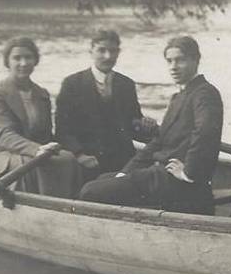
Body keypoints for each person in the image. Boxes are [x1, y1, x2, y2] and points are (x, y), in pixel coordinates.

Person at [78, 35, 223, 215]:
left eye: (180, 60)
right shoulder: (179, 96)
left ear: (196, 60)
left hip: (175, 180)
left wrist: (188, 173)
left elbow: (205, 133)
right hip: (160, 173)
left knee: (90, 192)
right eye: (169, 61)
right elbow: (158, 141)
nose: (173, 67)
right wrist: (127, 172)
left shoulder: (204, 93)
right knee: (103, 179)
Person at [0, 36, 83, 199]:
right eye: (17, 58)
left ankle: (65, 206)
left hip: (34, 151)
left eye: (28, 57)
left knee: (68, 160)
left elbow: (45, 135)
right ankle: (42, 206)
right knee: (33, 165)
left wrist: (72, 151)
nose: (23, 63)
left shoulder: (42, 94)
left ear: (35, 60)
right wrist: (37, 150)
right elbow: (4, 135)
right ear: (7, 62)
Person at [55, 29, 158, 179]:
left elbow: (132, 124)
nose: (108, 56)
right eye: (101, 50)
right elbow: (62, 130)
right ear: (91, 51)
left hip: (122, 159)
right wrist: (79, 155)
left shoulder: (126, 84)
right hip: (87, 160)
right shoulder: (72, 84)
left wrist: (146, 125)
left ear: (118, 53)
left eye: (113, 51)